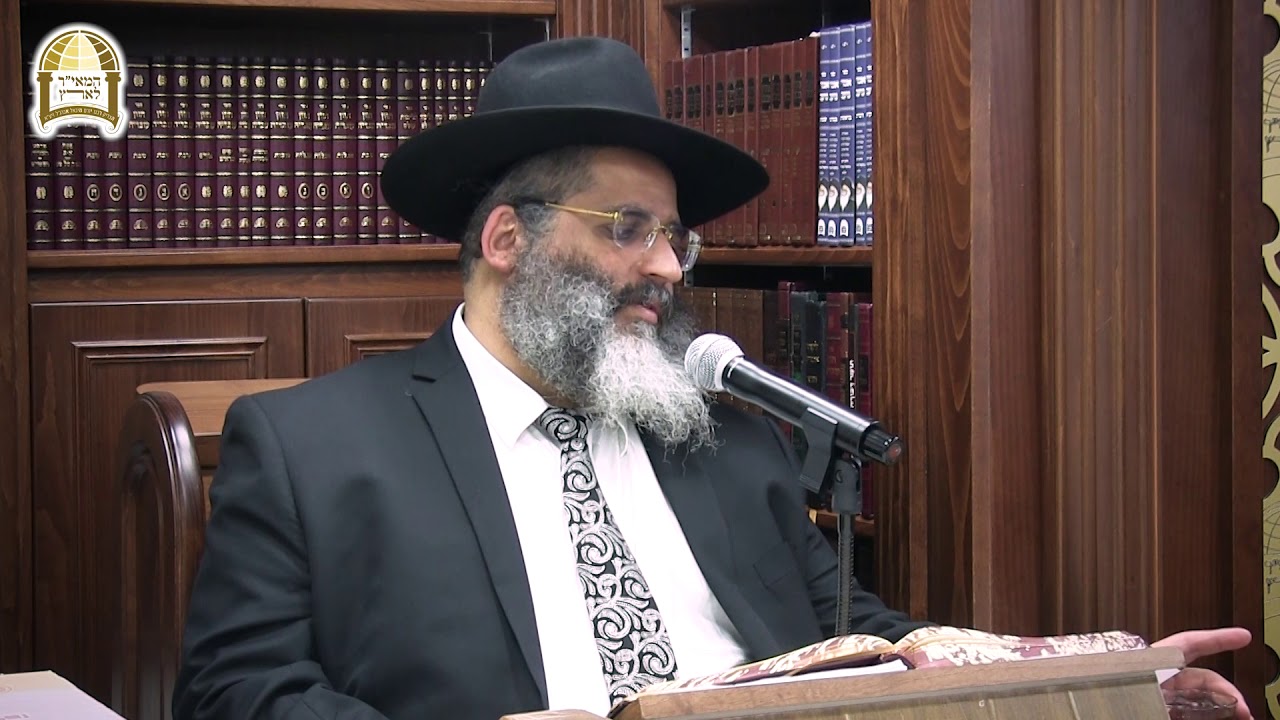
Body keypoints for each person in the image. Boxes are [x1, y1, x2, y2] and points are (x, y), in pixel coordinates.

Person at [172, 36, 1253, 720]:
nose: (666, 267)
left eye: (674, 237)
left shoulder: (730, 444)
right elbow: (234, 694)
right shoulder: (312, 448)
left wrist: (1109, 685)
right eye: (627, 228)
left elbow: (869, 643)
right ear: (507, 239)